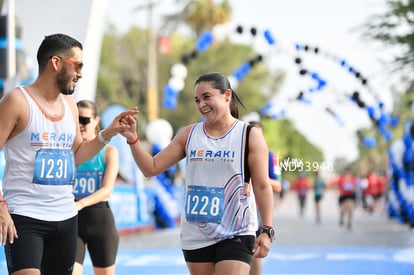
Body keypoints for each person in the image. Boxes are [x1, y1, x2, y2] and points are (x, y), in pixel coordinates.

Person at [0, 33, 137, 275]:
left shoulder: (70, 105)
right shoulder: (17, 102)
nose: (81, 73)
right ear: (56, 62)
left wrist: (108, 132)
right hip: (24, 217)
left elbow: (76, 156)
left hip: (65, 218)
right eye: (77, 65)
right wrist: (1, 207)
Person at [121, 72, 275, 275]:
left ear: (227, 95)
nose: (202, 104)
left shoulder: (249, 135)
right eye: (197, 100)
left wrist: (267, 230)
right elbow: (151, 168)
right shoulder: (189, 134)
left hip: (236, 230)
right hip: (197, 233)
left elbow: (263, 186)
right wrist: (133, 139)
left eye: (207, 97)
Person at [72, 100, 119, 275]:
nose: (80, 125)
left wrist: (81, 204)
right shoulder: (68, 150)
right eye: (76, 119)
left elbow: (107, 190)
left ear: (96, 120)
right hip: (72, 221)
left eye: (84, 120)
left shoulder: (108, 152)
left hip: (100, 221)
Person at [248, 121, 281, 275]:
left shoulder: (270, 156)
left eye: (258, 134)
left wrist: (258, 178)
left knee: (254, 254)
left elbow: (278, 186)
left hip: (255, 210)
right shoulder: (237, 151)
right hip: (233, 209)